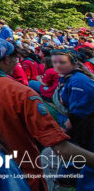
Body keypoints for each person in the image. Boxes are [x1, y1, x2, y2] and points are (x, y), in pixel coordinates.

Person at [0, 37, 94, 191]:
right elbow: (60, 147)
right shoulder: (21, 92)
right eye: (16, 58)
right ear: (6, 59)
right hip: (18, 175)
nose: (17, 63)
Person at [50, 49, 94, 188]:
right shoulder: (68, 77)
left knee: (80, 154)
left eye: (62, 62)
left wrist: (65, 129)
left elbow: (80, 112)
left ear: (74, 63)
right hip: (78, 123)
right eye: (54, 62)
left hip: (84, 126)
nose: (57, 66)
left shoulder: (78, 81)